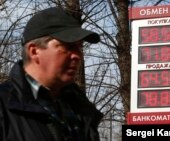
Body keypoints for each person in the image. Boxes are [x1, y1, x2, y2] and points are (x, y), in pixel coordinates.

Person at [0, 7, 103, 141]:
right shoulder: (4, 107)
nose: (78, 56)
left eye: (79, 47)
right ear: (34, 51)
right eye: (68, 46)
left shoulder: (81, 110)